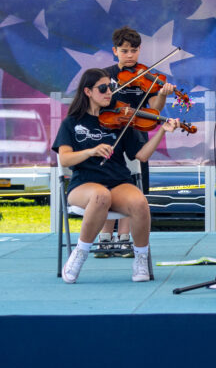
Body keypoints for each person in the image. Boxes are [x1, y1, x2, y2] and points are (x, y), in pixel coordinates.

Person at [56, 69, 181, 283]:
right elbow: (65, 159)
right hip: (84, 185)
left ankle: (140, 258)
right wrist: (91, 151)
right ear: (87, 91)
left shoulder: (121, 120)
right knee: (100, 196)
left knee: (140, 202)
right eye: (102, 88)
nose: (109, 93)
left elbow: (141, 155)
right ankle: (80, 253)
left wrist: (162, 131)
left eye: (111, 88)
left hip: (117, 181)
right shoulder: (71, 123)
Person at [98, 26, 176, 256]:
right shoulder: (105, 75)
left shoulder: (147, 76)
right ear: (115, 51)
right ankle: (104, 239)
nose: (129, 55)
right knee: (107, 185)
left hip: (135, 135)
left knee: (132, 185)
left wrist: (162, 94)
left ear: (140, 50)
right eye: (124, 51)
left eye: (133, 50)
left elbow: (154, 110)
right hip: (109, 135)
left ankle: (124, 239)